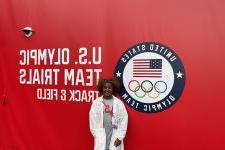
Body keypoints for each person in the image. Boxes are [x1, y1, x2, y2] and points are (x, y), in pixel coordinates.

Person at [89, 78, 128, 150]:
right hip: (101, 135)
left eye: (109, 88)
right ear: (102, 88)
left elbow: (124, 120)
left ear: (113, 89)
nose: (107, 89)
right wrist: (97, 134)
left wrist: (120, 137)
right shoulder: (96, 103)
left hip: (115, 134)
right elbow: (92, 121)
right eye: (105, 87)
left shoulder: (118, 103)